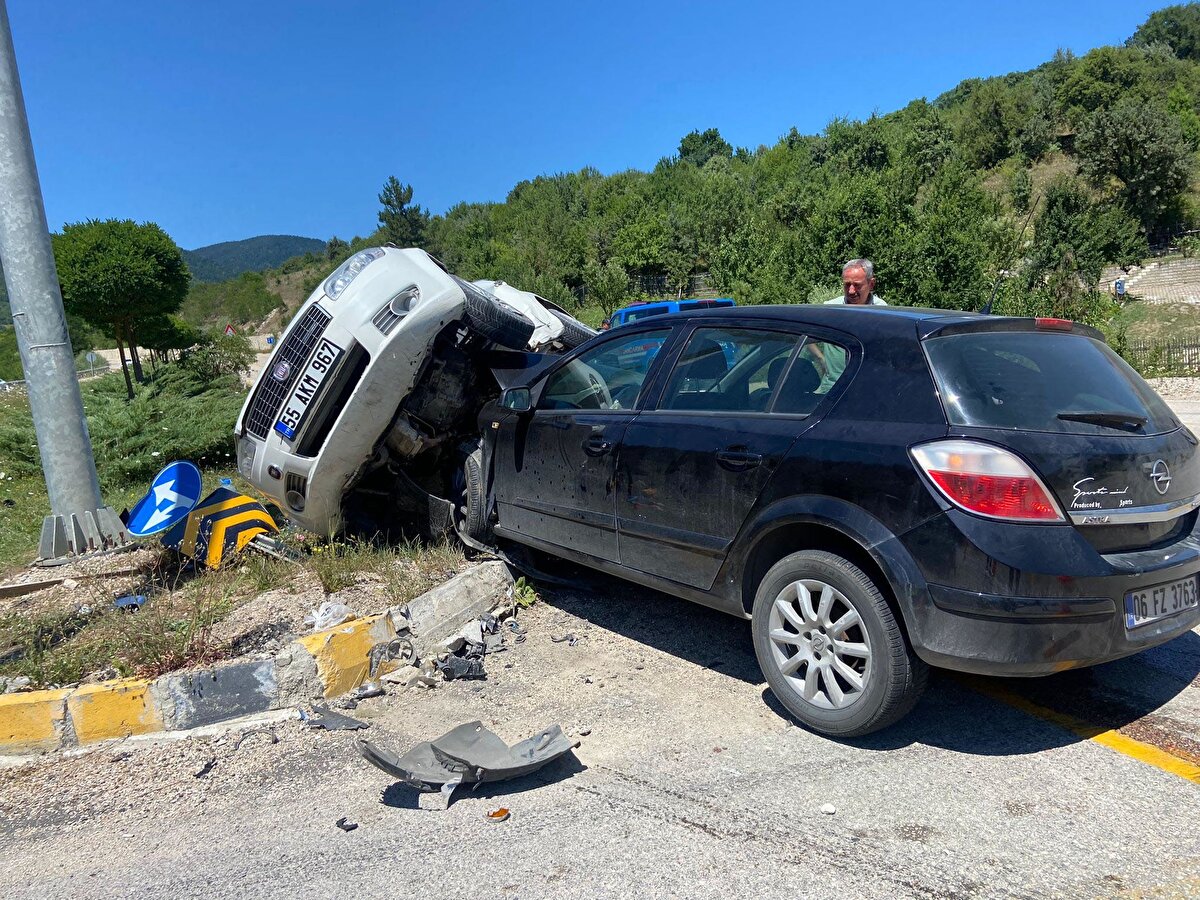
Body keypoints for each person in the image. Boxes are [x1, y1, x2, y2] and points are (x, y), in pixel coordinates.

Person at [809, 258, 886, 390]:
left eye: (857, 285)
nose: (851, 291)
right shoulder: (831, 309)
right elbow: (804, 332)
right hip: (831, 388)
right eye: (847, 285)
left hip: (866, 388)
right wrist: (820, 358)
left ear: (871, 284)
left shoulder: (883, 312)